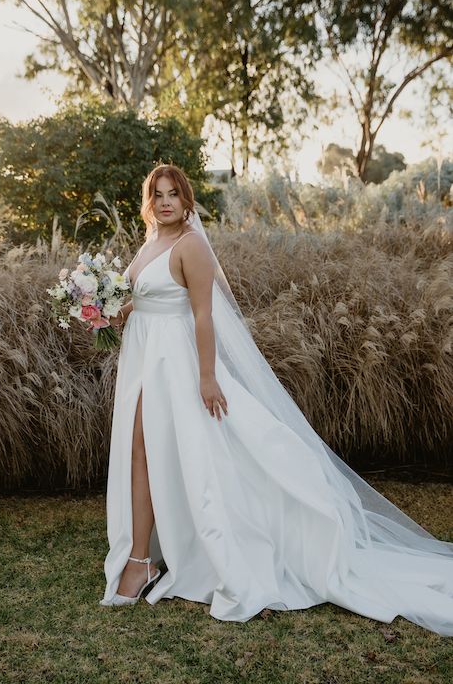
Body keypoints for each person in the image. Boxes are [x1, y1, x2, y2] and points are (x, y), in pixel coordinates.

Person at [99, 163, 453, 635]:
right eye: (158, 194)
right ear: (150, 201)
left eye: (174, 194)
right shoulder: (149, 244)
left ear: (186, 200)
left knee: (182, 455)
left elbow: (203, 316)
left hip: (176, 364)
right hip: (144, 358)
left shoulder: (192, 246)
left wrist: (207, 378)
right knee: (140, 453)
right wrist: (111, 308)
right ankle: (140, 559)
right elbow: (150, 297)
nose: (166, 202)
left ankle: (164, 556)